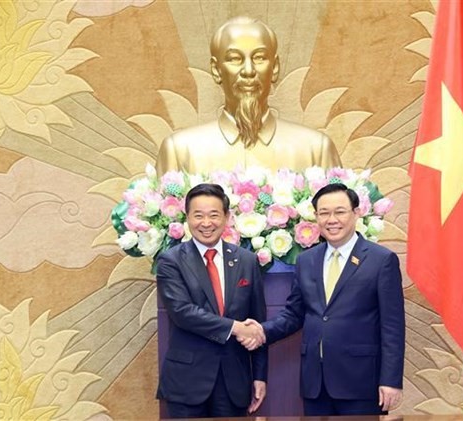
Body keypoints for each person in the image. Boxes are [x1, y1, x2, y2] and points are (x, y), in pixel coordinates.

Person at [243, 183, 405, 416]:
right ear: (316, 217)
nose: (332, 219)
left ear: (356, 213)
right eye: (324, 213)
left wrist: (390, 380)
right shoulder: (307, 260)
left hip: (359, 382)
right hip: (315, 382)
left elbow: (392, 327)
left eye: (339, 212)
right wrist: (261, 331)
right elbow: (294, 313)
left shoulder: (381, 260)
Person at [156, 16, 341, 175]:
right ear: (216, 70)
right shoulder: (179, 151)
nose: (248, 70)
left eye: (259, 57)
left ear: (274, 67)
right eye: (235, 59)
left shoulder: (316, 150)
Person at [156, 183, 267, 418]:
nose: (206, 223)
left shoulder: (246, 260)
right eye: (198, 215)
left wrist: (259, 375)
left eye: (214, 215)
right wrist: (235, 328)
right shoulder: (171, 261)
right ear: (187, 218)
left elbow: (257, 321)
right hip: (187, 383)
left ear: (227, 217)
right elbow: (182, 312)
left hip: (234, 381)